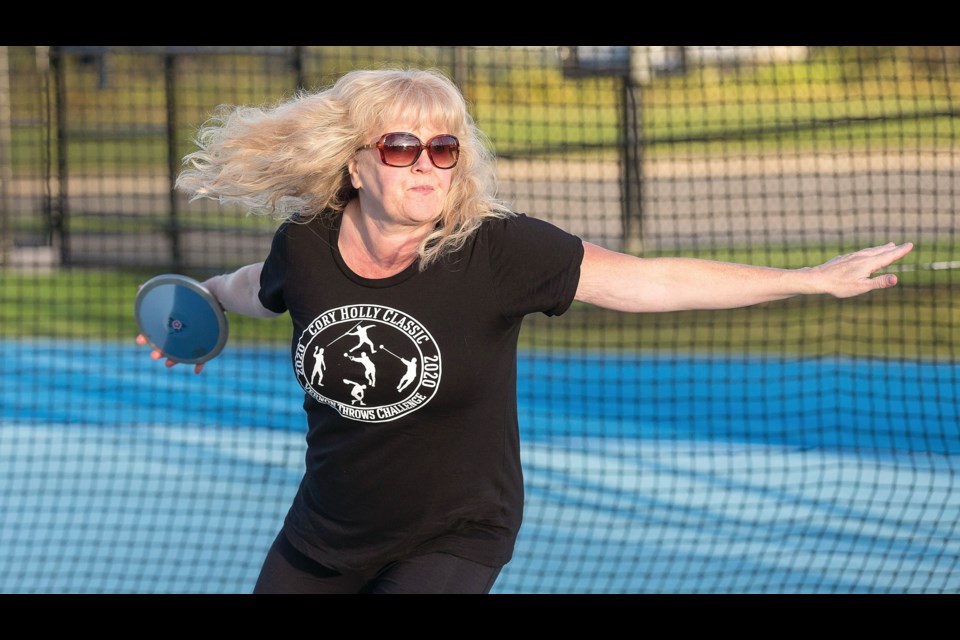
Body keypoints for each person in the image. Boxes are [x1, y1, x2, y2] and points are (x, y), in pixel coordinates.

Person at [138, 68, 913, 593]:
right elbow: (248, 289)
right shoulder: (305, 247)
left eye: (443, 148)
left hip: (456, 531)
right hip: (328, 530)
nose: (427, 166)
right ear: (355, 166)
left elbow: (650, 278)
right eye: (402, 146)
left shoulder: (498, 251)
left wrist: (808, 279)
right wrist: (189, 313)